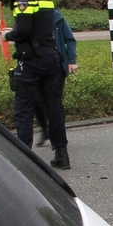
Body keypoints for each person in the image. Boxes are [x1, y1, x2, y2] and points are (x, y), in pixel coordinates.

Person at [0, 0, 70, 169]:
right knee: (53, 107)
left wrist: (8, 35)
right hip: (51, 57)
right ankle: (61, 155)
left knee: (23, 109)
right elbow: (41, 25)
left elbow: (24, 30)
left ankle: (24, 161)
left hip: (31, 60)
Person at [33, 9, 78, 146]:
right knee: (36, 100)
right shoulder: (29, 16)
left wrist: (72, 60)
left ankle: (58, 135)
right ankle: (45, 129)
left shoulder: (57, 18)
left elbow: (70, 39)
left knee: (54, 100)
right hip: (36, 63)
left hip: (57, 63)